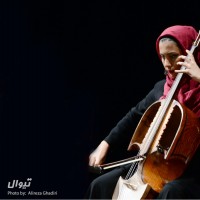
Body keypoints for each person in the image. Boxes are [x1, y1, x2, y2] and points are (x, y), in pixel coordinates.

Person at [84, 25, 200, 199]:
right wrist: (105, 143)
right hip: (151, 165)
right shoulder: (161, 89)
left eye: (173, 56)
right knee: (100, 185)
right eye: (162, 57)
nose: (167, 64)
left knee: (171, 192)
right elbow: (133, 116)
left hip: (193, 173)